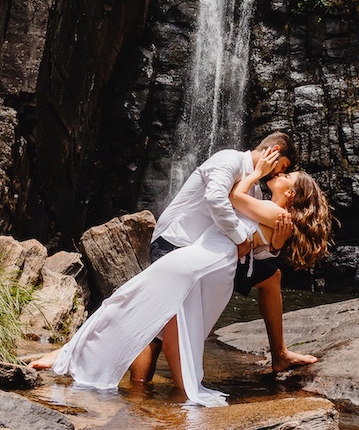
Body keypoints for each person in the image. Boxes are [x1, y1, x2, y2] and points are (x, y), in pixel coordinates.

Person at [29, 146, 332, 407]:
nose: (277, 175)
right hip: (212, 266)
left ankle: (75, 357)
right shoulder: (272, 212)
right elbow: (254, 241)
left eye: (285, 175)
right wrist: (275, 243)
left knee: (129, 300)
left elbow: (233, 197)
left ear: (291, 194)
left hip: (201, 262)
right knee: (174, 321)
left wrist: (256, 171)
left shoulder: (273, 211)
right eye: (282, 170)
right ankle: (180, 388)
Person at [131, 131, 318, 382]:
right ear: (271, 152)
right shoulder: (227, 160)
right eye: (281, 167)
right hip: (176, 242)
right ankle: (139, 391)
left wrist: (275, 246)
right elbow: (217, 199)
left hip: (213, 254)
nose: (277, 174)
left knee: (272, 275)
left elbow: (255, 237)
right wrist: (242, 239)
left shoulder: (255, 191)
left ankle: (279, 354)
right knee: (159, 324)